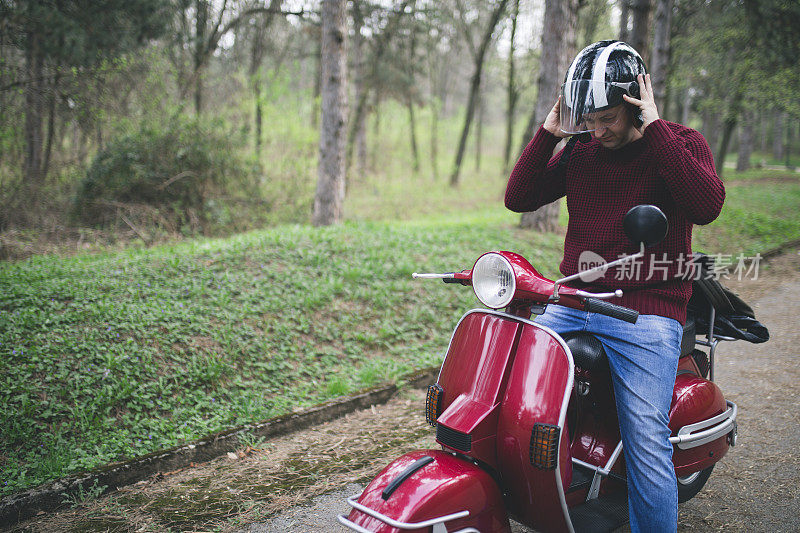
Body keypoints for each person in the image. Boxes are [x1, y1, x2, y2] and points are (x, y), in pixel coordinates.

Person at [504, 40, 725, 532]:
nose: (596, 131)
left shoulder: (681, 142)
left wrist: (657, 130)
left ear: (633, 104)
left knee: (645, 439)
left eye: (607, 118)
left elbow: (707, 205)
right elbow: (519, 197)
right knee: (518, 397)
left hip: (646, 311)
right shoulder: (581, 149)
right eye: (588, 119)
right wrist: (549, 135)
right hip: (575, 300)